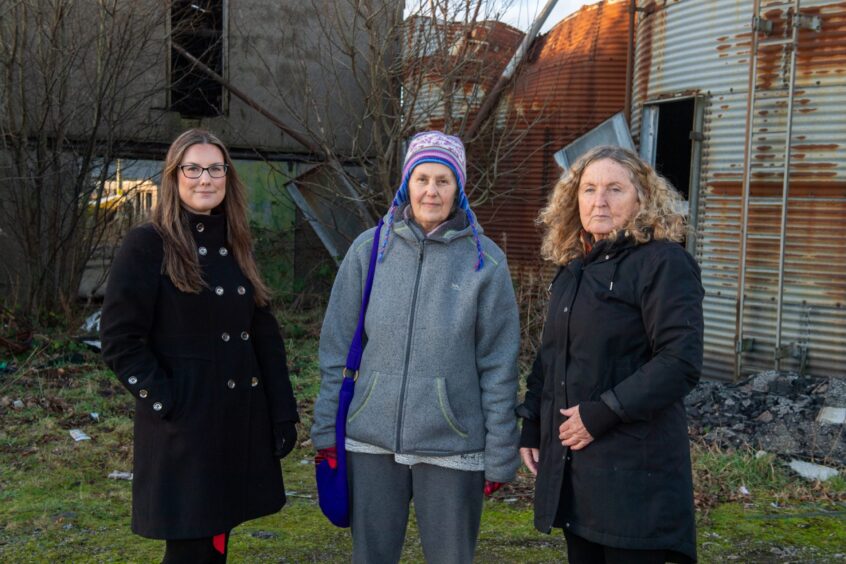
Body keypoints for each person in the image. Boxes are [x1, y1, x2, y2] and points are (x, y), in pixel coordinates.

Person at [311, 131, 521, 563]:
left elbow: (499, 366)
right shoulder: (369, 251)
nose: (431, 190)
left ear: (459, 188)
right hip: (370, 440)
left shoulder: (486, 262)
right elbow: (336, 350)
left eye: (443, 180)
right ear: (406, 183)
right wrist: (325, 428)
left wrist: (500, 451)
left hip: (453, 445)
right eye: (422, 178)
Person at [100, 129, 299, 563]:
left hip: (237, 420)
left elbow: (264, 335)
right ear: (174, 176)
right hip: (186, 429)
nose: (204, 179)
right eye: (193, 168)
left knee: (215, 540)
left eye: (215, 168)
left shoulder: (236, 242)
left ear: (227, 176)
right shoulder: (147, 244)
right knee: (191, 548)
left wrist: (282, 411)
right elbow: (119, 339)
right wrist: (168, 401)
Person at [517, 145, 703, 563]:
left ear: (642, 198)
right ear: (573, 199)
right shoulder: (574, 270)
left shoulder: (663, 263)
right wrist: (532, 423)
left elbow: (679, 361)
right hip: (579, 474)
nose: (599, 201)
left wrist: (601, 413)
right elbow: (551, 357)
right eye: (588, 189)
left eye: (614, 189)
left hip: (637, 477)